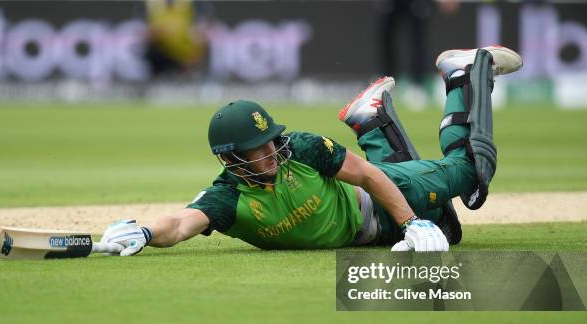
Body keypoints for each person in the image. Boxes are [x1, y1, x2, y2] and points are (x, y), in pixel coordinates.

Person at [100, 46, 523, 256]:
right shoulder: (229, 198)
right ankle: (371, 120)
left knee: (471, 170)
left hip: (385, 197)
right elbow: (179, 221)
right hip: (370, 238)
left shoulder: (298, 147)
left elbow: (369, 176)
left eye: (269, 141)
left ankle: (464, 73)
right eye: (256, 150)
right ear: (230, 159)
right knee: (449, 231)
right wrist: (144, 233)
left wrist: (411, 222)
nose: (270, 152)